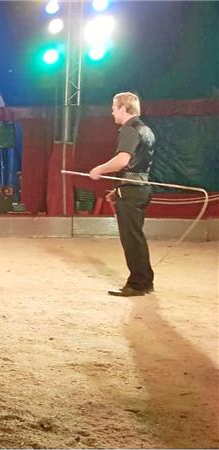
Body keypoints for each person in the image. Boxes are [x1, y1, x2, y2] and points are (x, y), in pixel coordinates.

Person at [88, 92, 156, 297]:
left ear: (124, 109)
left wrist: (98, 169)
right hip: (140, 188)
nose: (112, 112)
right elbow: (136, 167)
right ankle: (145, 280)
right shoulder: (146, 130)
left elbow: (123, 161)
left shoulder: (129, 129)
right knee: (136, 237)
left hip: (132, 191)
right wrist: (117, 189)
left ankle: (137, 283)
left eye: (114, 108)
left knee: (131, 238)